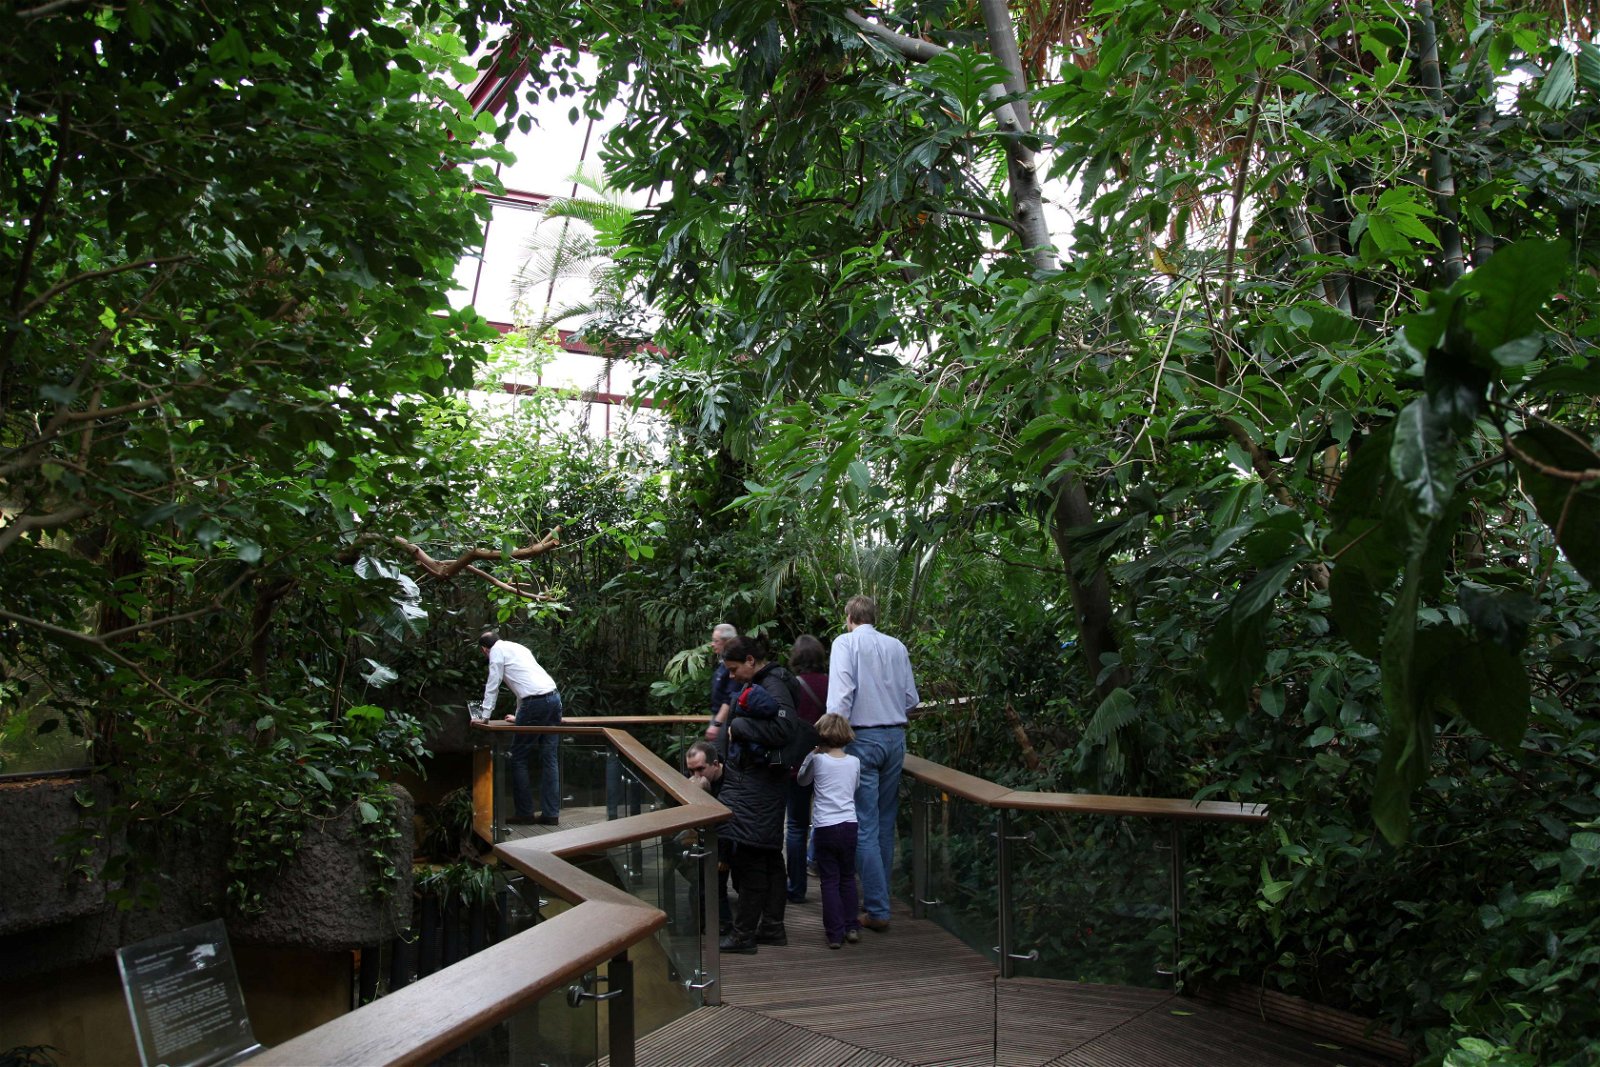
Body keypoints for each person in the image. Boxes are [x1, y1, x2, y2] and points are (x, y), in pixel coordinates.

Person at [826, 595, 918, 932]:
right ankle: (880, 898)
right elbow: (911, 699)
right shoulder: (897, 646)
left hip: (862, 739)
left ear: (849, 617)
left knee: (864, 823)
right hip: (895, 739)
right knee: (884, 820)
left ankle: (878, 909)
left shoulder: (845, 643)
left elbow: (841, 695)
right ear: (873, 617)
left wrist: (830, 739)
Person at [715, 636, 800, 953]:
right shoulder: (770, 681)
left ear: (751, 660)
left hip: (758, 787)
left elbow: (784, 730)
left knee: (751, 856)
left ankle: (743, 934)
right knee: (767, 856)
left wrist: (740, 726)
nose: (732, 676)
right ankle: (772, 928)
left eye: (735, 669)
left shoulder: (774, 685)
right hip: (760, 786)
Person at [479, 630, 563, 826]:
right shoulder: (518, 648)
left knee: (518, 757)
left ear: (485, 650)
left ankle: (525, 813)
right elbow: (523, 683)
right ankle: (551, 814)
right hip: (554, 699)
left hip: (534, 703)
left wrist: (484, 716)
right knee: (550, 757)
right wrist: (519, 716)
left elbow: (494, 683)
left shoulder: (496, 653)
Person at [797, 713, 860, 949]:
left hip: (825, 826)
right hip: (849, 823)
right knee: (848, 877)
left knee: (830, 881)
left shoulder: (819, 761)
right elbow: (856, 787)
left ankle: (835, 933)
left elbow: (803, 781)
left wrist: (810, 755)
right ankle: (852, 925)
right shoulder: (854, 762)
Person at [785, 634, 829, 903]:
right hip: (827, 760)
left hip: (797, 764)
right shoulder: (832, 683)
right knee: (828, 821)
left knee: (796, 826)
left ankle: (796, 888)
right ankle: (833, 883)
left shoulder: (791, 686)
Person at [684, 741, 732, 933]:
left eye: (700, 769)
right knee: (698, 882)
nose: (696, 776)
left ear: (715, 764)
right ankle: (700, 923)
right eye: (691, 771)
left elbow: (731, 823)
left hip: (729, 840)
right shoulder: (692, 780)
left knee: (715, 884)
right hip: (702, 839)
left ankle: (722, 924)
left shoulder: (731, 781)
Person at [704, 623, 739, 742]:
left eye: (716, 641)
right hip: (717, 717)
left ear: (728, 642)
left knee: (720, 755)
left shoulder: (734, 665)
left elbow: (730, 698)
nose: (712, 644)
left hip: (725, 720)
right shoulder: (722, 663)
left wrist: (717, 724)